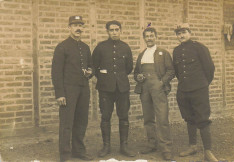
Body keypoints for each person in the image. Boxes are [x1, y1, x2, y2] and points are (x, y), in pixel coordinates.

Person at [172, 23, 218, 161]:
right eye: (179, 33)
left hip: (199, 89)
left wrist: (202, 85)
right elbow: (178, 72)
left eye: (184, 32)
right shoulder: (176, 51)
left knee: (203, 119)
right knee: (189, 118)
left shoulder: (200, 48)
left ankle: (208, 151)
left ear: (190, 33)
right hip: (184, 90)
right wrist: (186, 85)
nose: (181, 35)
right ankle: (192, 146)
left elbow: (209, 69)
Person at [51, 16, 94, 162]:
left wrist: (90, 72)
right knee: (66, 123)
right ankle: (64, 154)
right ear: (69, 28)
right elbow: (56, 72)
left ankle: (79, 151)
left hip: (83, 89)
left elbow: (91, 66)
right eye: (75, 25)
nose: (78, 28)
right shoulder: (62, 47)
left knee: (81, 121)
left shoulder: (85, 47)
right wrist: (60, 94)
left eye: (81, 25)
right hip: (68, 91)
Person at [92, 20, 135, 158]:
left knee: (123, 117)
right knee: (105, 117)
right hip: (105, 88)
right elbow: (94, 66)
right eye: (111, 30)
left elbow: (128, 68)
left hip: (122, 88)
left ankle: (124, 146)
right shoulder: (101, 47)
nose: (114, 32)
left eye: (117, 29)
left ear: (121, 31)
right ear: (107, 32)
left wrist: (118, 79)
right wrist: (106, 78)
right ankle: (106, 146)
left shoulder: (125, 47)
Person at [134, 27, 175, 161]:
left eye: (152, 35)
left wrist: (161, 83)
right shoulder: (142, 54)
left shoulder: (163, 52)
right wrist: (138, 77)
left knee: (162, 118)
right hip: (145, 88)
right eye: (147, 36)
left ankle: (166, 148)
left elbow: (171, 71)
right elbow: (136, 73)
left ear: (156, 37)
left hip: (158, 88)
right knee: (148, 117)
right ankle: (152, 144)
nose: (149, 38)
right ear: (144, 38)